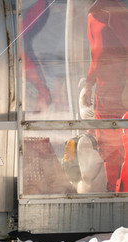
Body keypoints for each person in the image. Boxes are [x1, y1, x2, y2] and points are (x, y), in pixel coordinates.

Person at [80, 0, 128, 192]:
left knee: (120, 143)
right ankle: (114, 191)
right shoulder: (95, 15)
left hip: (119, 89)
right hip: (105, 90)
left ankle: (120, 192)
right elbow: (96, 56)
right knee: (109, 144)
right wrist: (89, 84)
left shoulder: (112, 13)